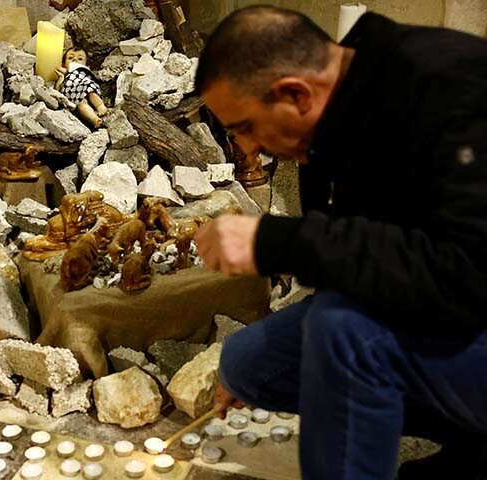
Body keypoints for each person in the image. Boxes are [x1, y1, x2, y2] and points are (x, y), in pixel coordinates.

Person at [192, 6, 487, 480]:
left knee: (345, 331)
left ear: (295, 94)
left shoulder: (450, 86)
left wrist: (278, 243)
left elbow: (467, 272)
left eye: (244, 127)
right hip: (443, 307)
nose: (245, 149)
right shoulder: (333, 125)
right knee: (248, 362)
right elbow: (366, 259)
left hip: (470, 301)